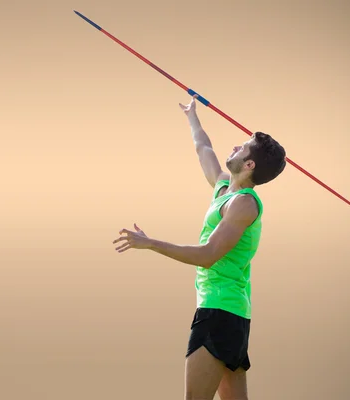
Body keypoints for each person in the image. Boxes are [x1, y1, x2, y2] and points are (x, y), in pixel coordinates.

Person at [112, 94, 287, 400]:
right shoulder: (223, 188)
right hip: (228, 312)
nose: (234, 146)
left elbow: (208, 256)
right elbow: (203, 149)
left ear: (249, 164)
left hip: (220, 310)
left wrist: (150, 243)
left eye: (242, 147)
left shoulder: (244, 204)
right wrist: (192, 116)